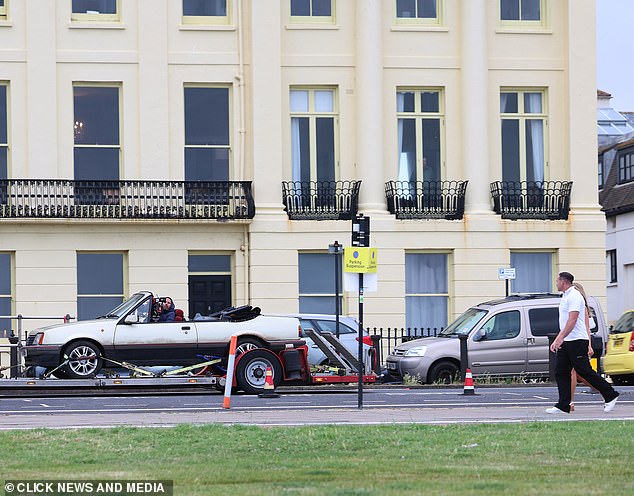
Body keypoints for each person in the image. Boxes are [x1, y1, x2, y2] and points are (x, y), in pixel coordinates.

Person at [546, 272, 619, 414]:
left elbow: (572, 321)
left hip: (577, 341)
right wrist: (561, 339)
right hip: (568, 340)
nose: (556, 283)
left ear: (564, 282)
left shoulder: (575, 296)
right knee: (561, 371)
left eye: (557, 281)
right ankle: (564, 405)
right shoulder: (565, 296)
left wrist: (559, 338)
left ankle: (610, 394)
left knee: (584, 371)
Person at [569, 282, 597, 411]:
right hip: (572, 342)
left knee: (575, 372)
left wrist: (589, 345)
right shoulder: (572, 305)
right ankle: (605, 391)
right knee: (581, 374)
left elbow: (586, 328)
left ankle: (570, 402)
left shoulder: (582, 307)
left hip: (579, 343)